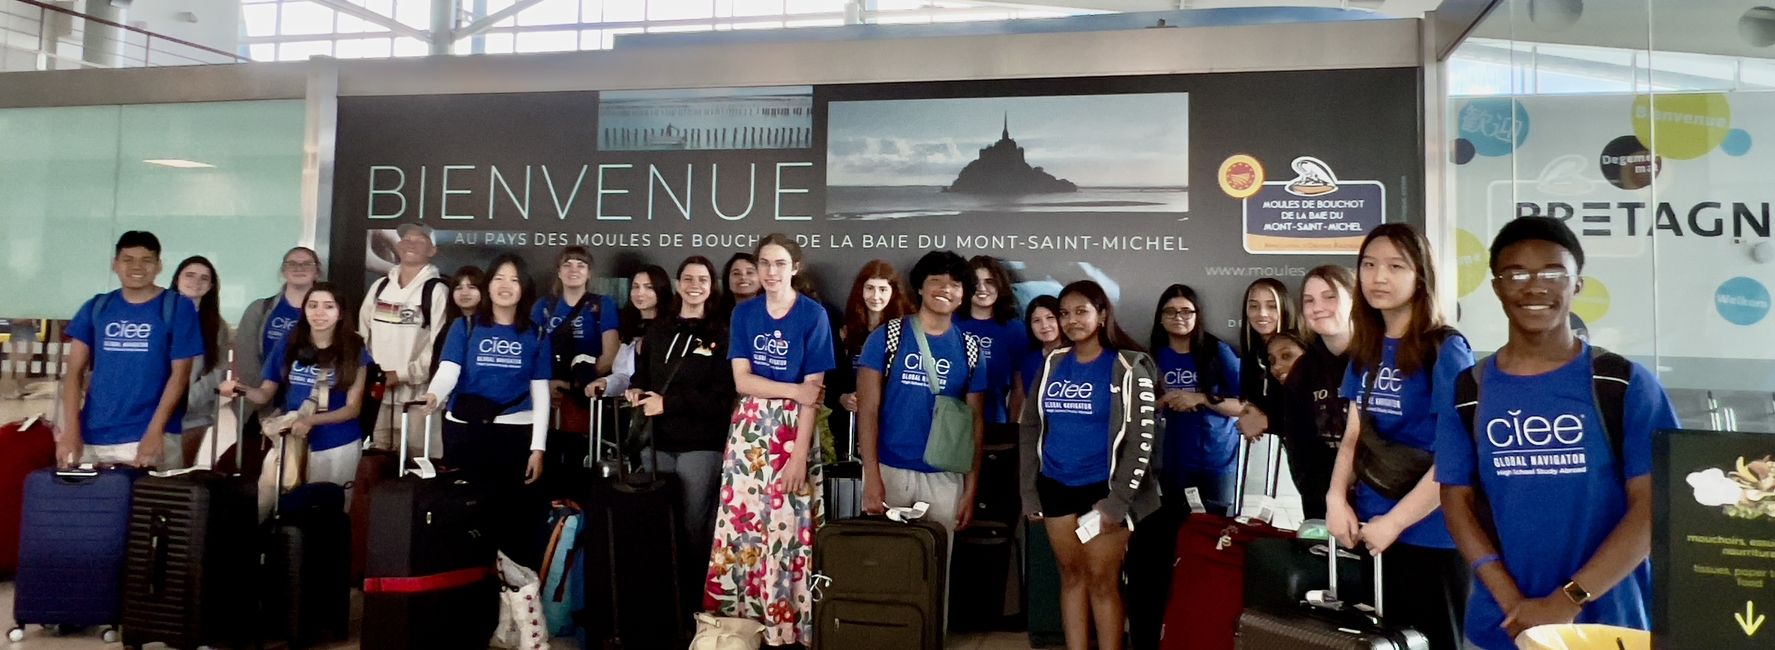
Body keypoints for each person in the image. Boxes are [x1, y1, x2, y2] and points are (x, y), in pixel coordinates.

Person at [1437, 217, 1675, 649]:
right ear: (1496, 287)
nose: (1534, 287)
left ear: (1576, 285)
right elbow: (1456, 503)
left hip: (1609, 625)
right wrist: (1515, 603)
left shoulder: (1624, 384)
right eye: (1517, 274)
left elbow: (1655, 504)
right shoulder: (1469, 390)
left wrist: (1569, 599)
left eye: (1552, 273)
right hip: (1502, 624)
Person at [1326, 223, 1473, 650]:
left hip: (1432, 536)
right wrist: (1336, 498)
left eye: (1395, 266)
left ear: (1420, 276)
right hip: (1371, 531)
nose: (1379, 277)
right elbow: (1353, 438)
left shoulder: (1445, 350)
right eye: (1369, 265)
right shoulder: (1367, 348)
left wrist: (1396, 522)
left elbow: (1456, 456)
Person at [705, 234, 834, 648]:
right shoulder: (744, 314)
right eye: (764, 263)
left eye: (779, 263)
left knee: (787, 529)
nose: (771, 271)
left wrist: (798, 456)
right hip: (748, 431)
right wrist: (793, 390)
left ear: (794, 267)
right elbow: (741, 380)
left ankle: (787, 627)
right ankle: (738, 628)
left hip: (792, 433)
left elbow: (814, 393)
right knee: (741, 529)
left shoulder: (814, 315)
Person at [1019, 280, 1160, 650]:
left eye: (1081, 311)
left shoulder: (1129, 366)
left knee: (1102, 581)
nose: (1071, 320)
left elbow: (1141, 444)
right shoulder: (1052, 363)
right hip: (1055, 487)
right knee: (1070, 577)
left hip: (1104, 492)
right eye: (1064, 313)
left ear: (1101, 315)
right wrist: (1029, 491)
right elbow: (1030, 425)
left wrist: (1117, 502)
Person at [421, 253, 551, 569]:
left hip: (515, 434)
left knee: (511, 520)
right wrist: (435, 395)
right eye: (498, 278)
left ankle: (512, 597)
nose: (506, 286)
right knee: (466, 516)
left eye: (514, 280)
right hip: (466, 431)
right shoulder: (464, 326)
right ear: (488, 285)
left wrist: (538, 448)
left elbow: (541, 392)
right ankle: (466, 588)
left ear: (524, 289)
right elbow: (448, 369)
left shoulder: (536, 333)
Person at [625, 256, 734, 608]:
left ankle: (694, 606)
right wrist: (635, 390)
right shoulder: (658, 330)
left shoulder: (721, 334)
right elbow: (644, 377)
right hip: (656, 443)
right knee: (657, 525)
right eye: (688, 278)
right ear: (677, 284)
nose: (694, 285)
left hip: (701, 446)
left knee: (692, 527)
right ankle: (660, 604)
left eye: (702, 279)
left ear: (711, 286)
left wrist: (669, 403)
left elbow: (722, 398)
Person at [856, 251, 988, 531]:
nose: (945, 289)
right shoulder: (887, 336)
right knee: (883, 567)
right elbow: (867, 410)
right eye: (936, 280)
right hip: (889, 470)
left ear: (963, 294)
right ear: (919, 286)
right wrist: (871, 476)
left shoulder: (970, 349)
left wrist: (970, 488)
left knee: (935, 568)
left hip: (946, 476)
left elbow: (975, 423)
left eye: (955, 284)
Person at [219, 283, 369, 520]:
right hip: (291, 440)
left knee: (327, 514)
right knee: (271, 503)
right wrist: (240, 389)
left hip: (336, 444)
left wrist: (311, 419)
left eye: (328, 307)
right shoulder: (290, 342)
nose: (319, 313)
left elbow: (352, 408)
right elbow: (265, 394)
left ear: (340, 313)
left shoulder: (354, 348)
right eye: (313, 305)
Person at [58, 231, 203, 468]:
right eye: (128, 259)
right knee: (91, 504)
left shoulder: (177, 307)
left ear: (159, 266)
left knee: (149, 505)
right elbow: (74, 373)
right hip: (92, 436)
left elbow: (180, 376)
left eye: (146, 260)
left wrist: (156, 431)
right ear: (115, 265)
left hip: (150, 435)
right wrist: (71, 432)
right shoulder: (96, 307)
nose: (137, 267)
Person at [1146, 284, 1244, 511]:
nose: (1178, 317)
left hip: (1217, 461)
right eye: (1170, 311)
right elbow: (1139, 408)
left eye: (1186, 311)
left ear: (1197, 315)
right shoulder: (1152, 356)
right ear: (1160, 318)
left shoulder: (1217, 351)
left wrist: (1200, 398)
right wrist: (1163, 401)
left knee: (1216, 533)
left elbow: (1245, 406)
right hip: (1172, 462)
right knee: (1176, 531)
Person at [361, 224, 450, 459]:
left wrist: (401, 374)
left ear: (432, 250)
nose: (410, 244)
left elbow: (439, 348)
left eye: (419, 240)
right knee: (377, 463)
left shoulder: (437, 291)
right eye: (405, 239)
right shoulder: (379, 287)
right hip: (377, 395)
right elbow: (361, 336)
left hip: (419, 400)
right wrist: (373, 375)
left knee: (417, 466)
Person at [1278, 265, 1356, 520]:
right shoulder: (1303, 370)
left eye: (1329, 296)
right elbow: (1298, 447)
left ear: (1356, 300)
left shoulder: (1380, 359)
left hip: (1380, 504)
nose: (1317, 307)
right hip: (1323, 505)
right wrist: (1321, 500)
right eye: (1308, 300)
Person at [235, 246, 322, 463]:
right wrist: (262, 401)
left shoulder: (328, 312)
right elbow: (246, 359)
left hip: (310, 410)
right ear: (283, 270)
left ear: (317, 271)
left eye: (306, 264)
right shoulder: (260, 309)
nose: (299, 268)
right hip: (264, 407)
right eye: (292, 263)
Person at [832, 260, 913, 460]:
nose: (876, 296)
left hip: (892, 423)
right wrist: (842, 398)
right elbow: (833, 378)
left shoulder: (907, 330)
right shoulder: (845, 330)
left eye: (882, 289)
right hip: (849, 425)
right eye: (870, 288)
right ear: (860, 290)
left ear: (893, 292)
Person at [955, 256, 1028, 441]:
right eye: (975, 282)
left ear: (1000, 285)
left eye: (989, 282)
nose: (982, 288)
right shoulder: (950, 324)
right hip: (951, 423)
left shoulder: (1015, 329)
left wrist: (1011, 428)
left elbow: (1019, 387)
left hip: (995, 424)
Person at [172, 256, 230, 469]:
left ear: (211, 286)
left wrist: (181, 403)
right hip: (148, 413)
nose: (196, 282)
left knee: (177, 478)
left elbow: (216, 372)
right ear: (177, 278)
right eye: (190, 275)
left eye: (204, 278)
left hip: (192, 417)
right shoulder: (160, 315)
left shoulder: (217, 326)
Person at [594, 264, 673, 398]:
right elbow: (623, 375)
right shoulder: (628, 327)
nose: (640, 293)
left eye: (649, 287)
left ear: (661, 290)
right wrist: (606, 383)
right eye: (635, 287)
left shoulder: (672, 328)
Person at [1235, 278, 1300, 441]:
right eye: (1254, 306)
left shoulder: (1300, 349)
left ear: (1284, 309)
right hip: (1274, 452)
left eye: (1271, 306)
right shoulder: (1252, 355)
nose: (1262, 313)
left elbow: (1314, 413)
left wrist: (1266, 422)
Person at [1009, 295, 1062, 424]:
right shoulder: (1029, 361)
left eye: (1050, 318)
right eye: (1036, 320)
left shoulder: (1078, 356)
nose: (1044, 325)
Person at [428, 265, 485, 376]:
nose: (464, 293)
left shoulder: (491, 327)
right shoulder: (448, 328)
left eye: (472, 287)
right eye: (458, 288)